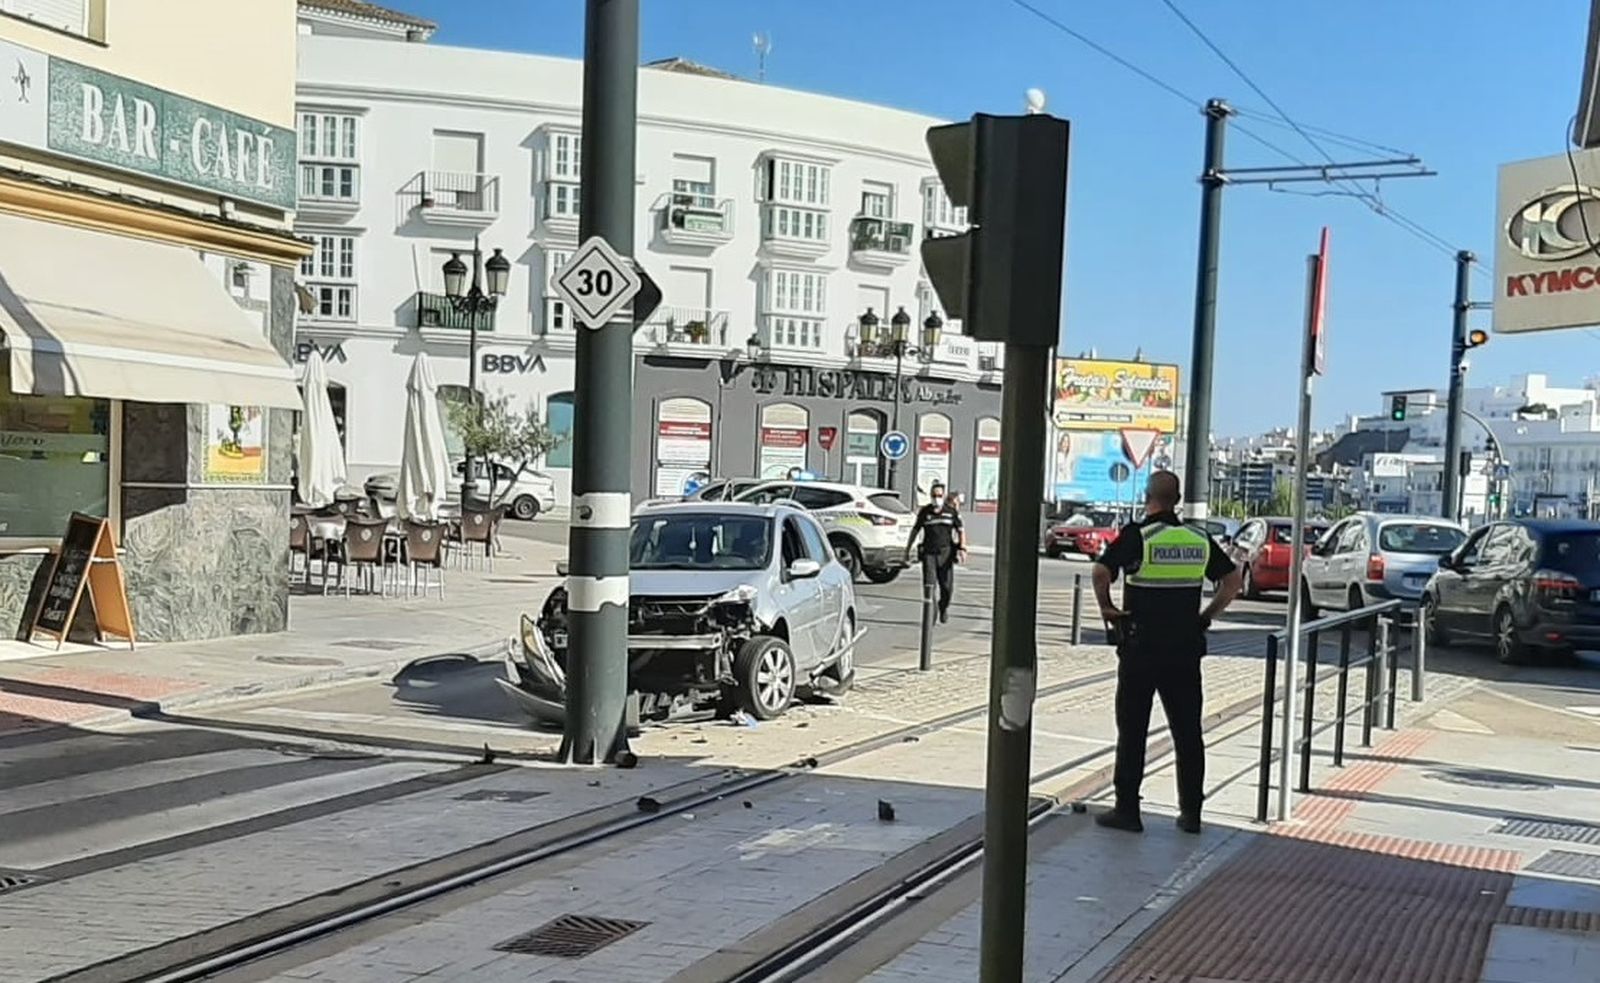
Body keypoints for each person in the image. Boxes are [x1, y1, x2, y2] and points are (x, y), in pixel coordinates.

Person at [1091, 470, 1241, 834]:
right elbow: (1232, 581)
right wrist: (1205, 616)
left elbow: (1100, 572)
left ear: (1148, 496)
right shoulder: (1198, 538)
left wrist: (1108, 608)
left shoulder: (1139, 536)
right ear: (1176, 499)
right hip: (1185, 648)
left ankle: (1127, 810)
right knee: (1188, 731)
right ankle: (1191, 813)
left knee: (1133, 729)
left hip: (1142, 648)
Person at [905, 481, 965, 623]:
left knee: (947, 588)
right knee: (929, 586)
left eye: (939, 495)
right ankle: (930, 617)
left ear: (943, 496)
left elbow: (961, 530)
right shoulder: (925, 512)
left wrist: (962, 549)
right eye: (933, 495)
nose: (936, 498)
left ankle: (943, 607)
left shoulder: (950, 512)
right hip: (929, 554)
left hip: (946, 553)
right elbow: (915, 530)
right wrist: (907, 549)